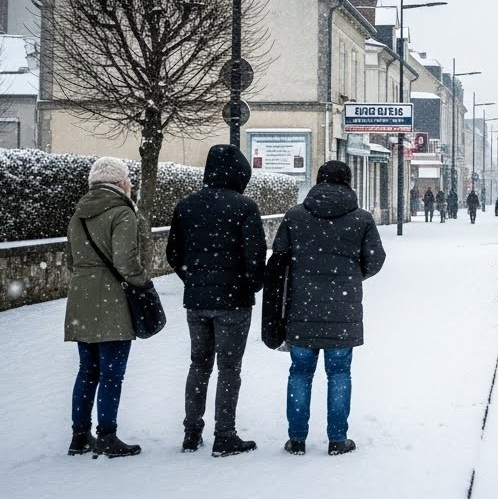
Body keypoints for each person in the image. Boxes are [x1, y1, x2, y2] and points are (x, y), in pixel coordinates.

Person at [265, 161, 386, 457]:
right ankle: (337, 439)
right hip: (343, 313)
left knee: (300, 373)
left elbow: (279, 257)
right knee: (340, 373)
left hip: (301, 309)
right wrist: (351, 275)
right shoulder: (361, 219)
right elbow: (376, 259)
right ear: (348, 183)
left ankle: (296, 440)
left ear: (319, 182)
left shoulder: (295, 216)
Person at [166, 144, 267, 457]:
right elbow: (255, 255)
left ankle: (191, 433)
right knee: (229, 368)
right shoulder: (244, 207)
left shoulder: (186, 206)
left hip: (196, 301)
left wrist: (195, 280)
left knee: (199, 365)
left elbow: (173, 253)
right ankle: (224, 434)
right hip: (233, 302)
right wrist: (250, 285)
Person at [64, 157, 151, 458]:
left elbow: (70, 260)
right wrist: (143, 283)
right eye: (127, 179)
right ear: (120, 182)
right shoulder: (121, 212)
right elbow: (126, 262)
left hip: (81, 299)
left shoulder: (78, 213)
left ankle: (79, 436)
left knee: (87, 370)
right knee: (112, 372)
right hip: (112, 299)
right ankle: (107, 435)